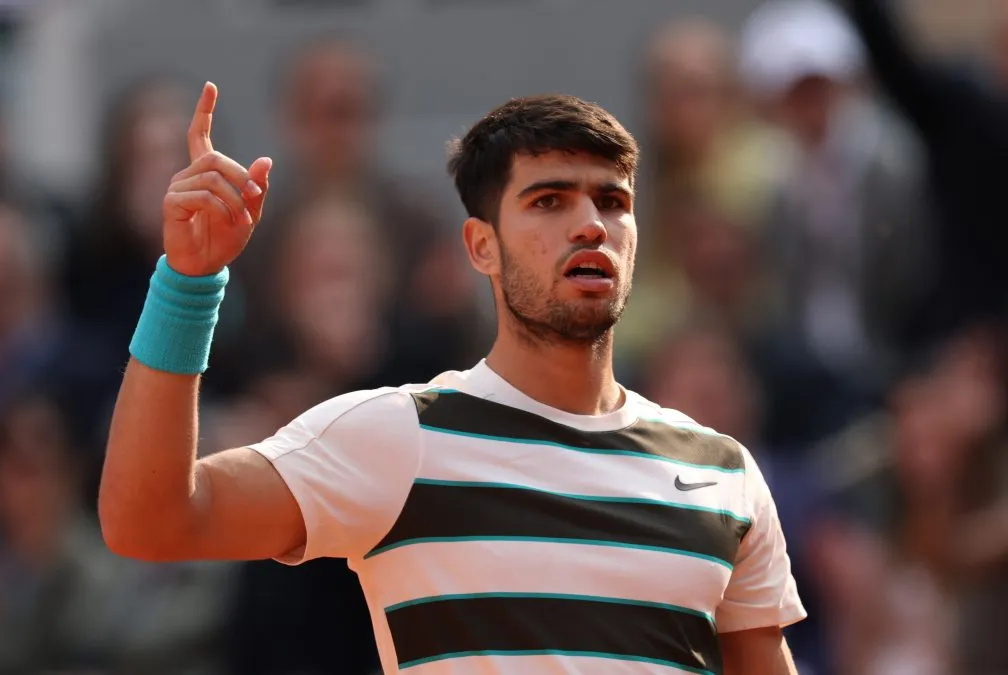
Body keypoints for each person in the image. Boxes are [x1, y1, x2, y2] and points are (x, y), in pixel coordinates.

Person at [98, 82, 807, 675]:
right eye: (549, 200)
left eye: (612, 201)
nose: (591, 225)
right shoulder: (396, 437)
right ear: (481, 246)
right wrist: (188, 283)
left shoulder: (723, 472)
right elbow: (149, 521)